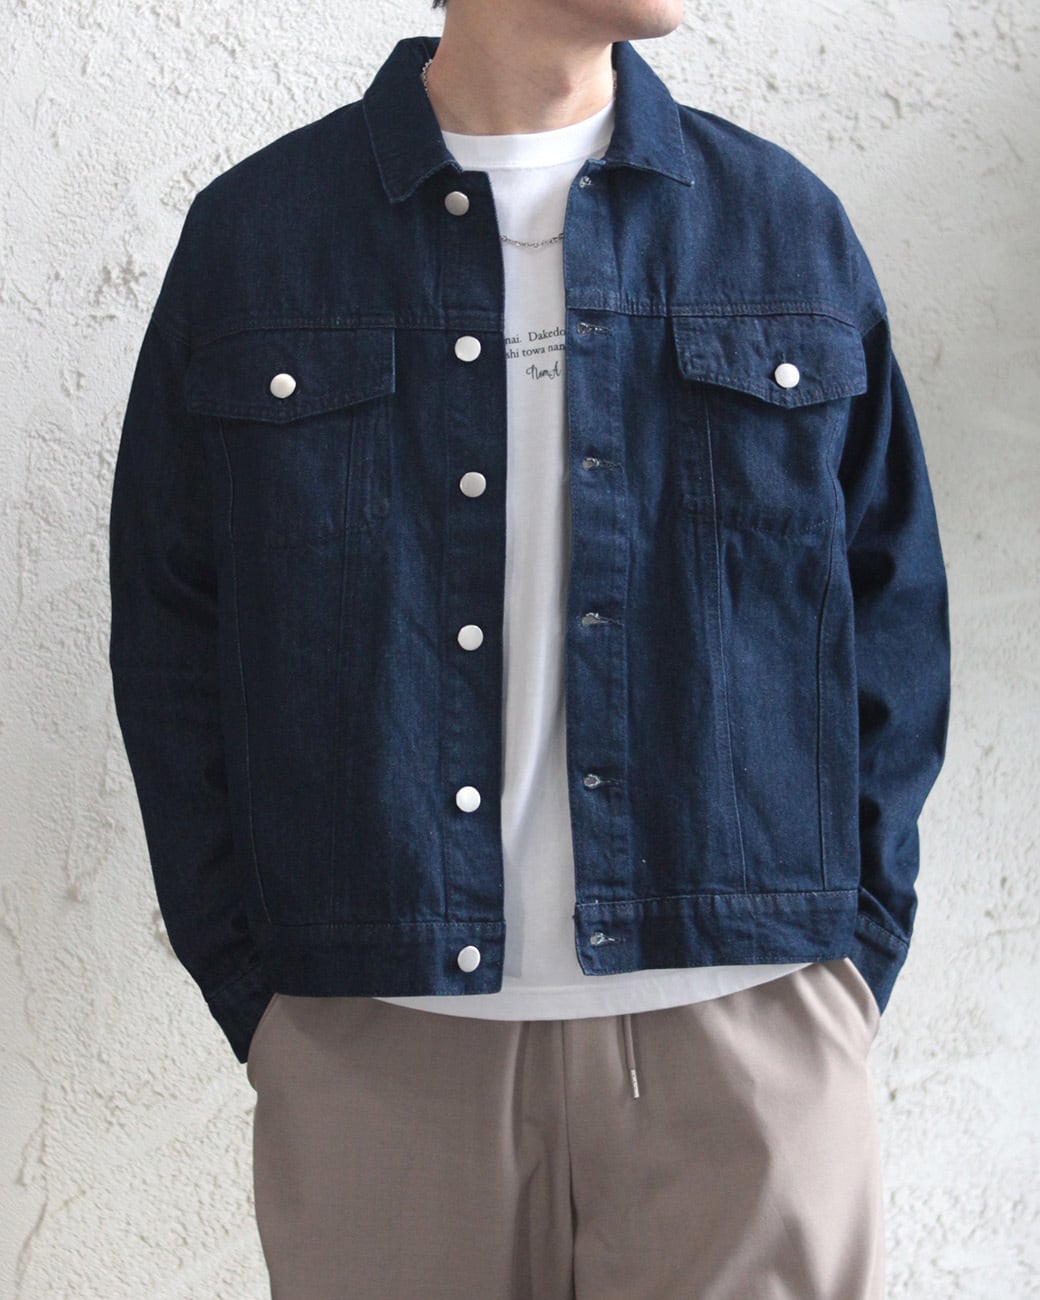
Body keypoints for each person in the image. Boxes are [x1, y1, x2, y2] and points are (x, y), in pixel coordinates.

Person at [108, 0, 950, 1295]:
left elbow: (893, 612)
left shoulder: (782, 227)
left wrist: (849, 956)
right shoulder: (260, 241)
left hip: (749, 1026)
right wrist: (264, 997)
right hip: (382, 1039)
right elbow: (172, 637)